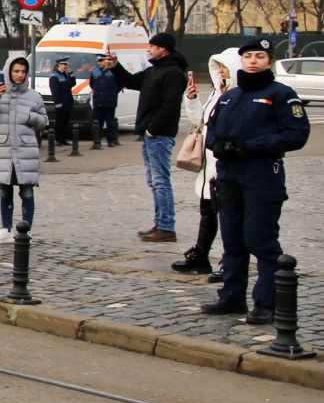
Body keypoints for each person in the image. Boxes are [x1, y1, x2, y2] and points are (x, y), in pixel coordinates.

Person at [198, 37, 310, 324]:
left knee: (261, 242)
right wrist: (219, 146)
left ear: (269, 60)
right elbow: (210, 132)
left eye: (260, 56)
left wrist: (252, 146)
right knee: (233, 241)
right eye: (248, 56)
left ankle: (266, 303)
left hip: (262, 177)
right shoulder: (229, 96)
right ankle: (232, 298)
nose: (253, 61)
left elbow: (296, 134)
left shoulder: (281, 94)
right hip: (229, 176)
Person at [108, 32, 192, 243]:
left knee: (161, 181)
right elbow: (132, 81)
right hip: (150, 134)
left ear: (163, 49)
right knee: (153, 181)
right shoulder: (154, 70)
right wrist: (116, 66)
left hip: (159, 135)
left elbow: (170, 106)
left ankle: (166, 227)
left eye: (152, 46)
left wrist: (153, 129)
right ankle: (160, 223)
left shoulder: (172, 73)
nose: (148, 49)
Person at [173, 49, 239, 276]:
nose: (221, 71)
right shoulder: (217, 92)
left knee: (228, 216)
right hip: (208, 165)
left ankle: (229, 261)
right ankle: (201, 255)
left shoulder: (237, 95)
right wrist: (191, 99)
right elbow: (201, 121)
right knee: (207, 211)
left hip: (224, 164)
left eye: (226, 67)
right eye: (218, 66)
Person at [0, 57, 47, 243]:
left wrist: (32, 117)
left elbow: (44, 121)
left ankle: (26, 231)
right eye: (16, 71)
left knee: (27, 192)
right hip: (3, 150)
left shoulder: (34, 96)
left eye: (23, 71)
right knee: (4, 191)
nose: (20, 75)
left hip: (25, 151)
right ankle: (5, 229)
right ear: (9, 71)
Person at [88, 55, 122, 148]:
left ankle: (110, 141)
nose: (99, 63)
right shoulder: (94, 72)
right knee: (97, 122)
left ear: (107, 61)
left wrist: (112, 93)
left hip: (110, 102)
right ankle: (96, 141)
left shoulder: (113, 72)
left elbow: (119, 85)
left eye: (101, 61)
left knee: (110, 123)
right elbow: (92, 84)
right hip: (98, 101)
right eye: (98, 61)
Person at [49, 58, 76, 146]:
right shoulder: (55, 76)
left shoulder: (65, 75)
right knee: (59, 122)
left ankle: (63, 139)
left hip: (68, 102)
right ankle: (58, 139)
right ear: (58, 65)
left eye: (66, 64)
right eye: (63, 64)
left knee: (65, 122)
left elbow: (72, 84)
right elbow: (55, 91)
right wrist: (57, 103)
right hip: (60, 103)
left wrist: (71, 74)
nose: (65, 66)